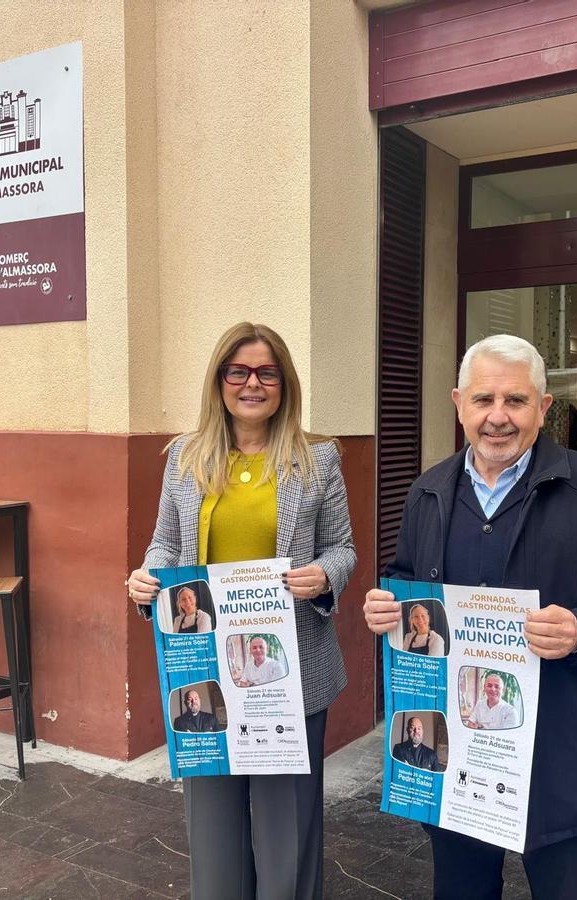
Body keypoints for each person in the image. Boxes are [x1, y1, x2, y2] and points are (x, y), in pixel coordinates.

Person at [364, 334, 577, 900]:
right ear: (458, 403)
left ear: (544, 407)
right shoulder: (427, 492)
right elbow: (406, 575)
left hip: (561, 741)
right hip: (457, 746)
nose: (497, 418)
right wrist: (387, 607)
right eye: (483, 400)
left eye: (515, 401)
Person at [127, 322, 356, 900]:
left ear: (284, 383)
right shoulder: (184, 455)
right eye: (239, 371)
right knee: (212, 827)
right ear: (220, 381)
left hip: (291, 670)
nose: (252, 383)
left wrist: (325, 575)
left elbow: (343, 547)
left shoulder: (317, 459)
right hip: (203, 666)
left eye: (266, 373)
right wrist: (147, 575)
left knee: (288, 831)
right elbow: (164, 540)